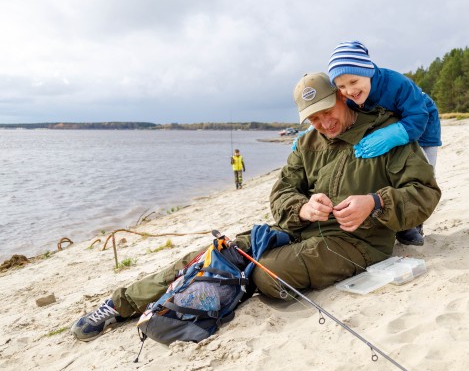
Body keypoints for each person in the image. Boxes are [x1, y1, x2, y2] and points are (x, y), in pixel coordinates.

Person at [70, 72, 441, 341]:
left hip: (359, 242)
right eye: (312, 118)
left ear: (344, 98)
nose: (324, 122)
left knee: (264, 274)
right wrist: (302, 208)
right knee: (216, 252)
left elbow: (425, 193)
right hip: (299, 232)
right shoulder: (308, 142)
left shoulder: (387, 134)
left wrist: (374, 203)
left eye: (328, 110)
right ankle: (119, 305)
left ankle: (225, 287)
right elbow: (280, 193)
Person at [327, 40, 442, 246]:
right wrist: (312, 131)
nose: (349, 91)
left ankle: (414, 225)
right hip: (389, 123)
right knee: (392, 172)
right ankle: (394, 219)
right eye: (341, 86)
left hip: (423, 126)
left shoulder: (397, 84)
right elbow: (338, 112)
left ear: (368, 71)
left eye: (354, 82)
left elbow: (418, 116)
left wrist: (393, 134)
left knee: (421, 173)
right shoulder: (348, 96)